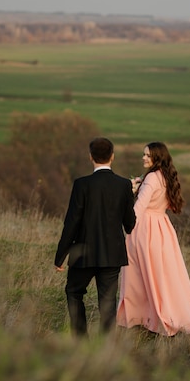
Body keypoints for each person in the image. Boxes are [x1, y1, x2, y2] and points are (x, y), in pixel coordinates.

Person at [116, 141, 190, 336]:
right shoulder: (166, 177)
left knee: (138, 274)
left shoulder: (151, 179)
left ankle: (142, 317)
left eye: (147, 155)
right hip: (162, 227)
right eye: (144, 155)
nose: (143, 158)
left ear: (157, 157)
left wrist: (126, 222)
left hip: (144, 229)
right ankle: (162, 314)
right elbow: (170, 205)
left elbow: (139, 208)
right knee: (163, 274)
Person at [54, 137, 136, 337]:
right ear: (112, 157)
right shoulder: (124, 185)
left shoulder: (81, 184)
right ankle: (105, 347)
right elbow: (130, 224)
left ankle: (80, 339)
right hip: (112, 253)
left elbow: (71, 222)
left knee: (74, 292)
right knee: (107, 301)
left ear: (91, 157)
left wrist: (60, 255)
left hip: (83, 253)